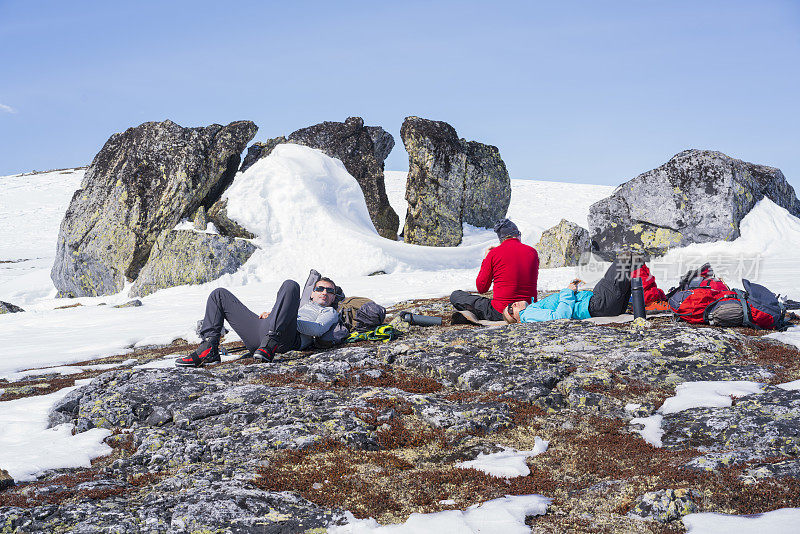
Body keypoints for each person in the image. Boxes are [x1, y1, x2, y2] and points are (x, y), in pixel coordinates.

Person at [175, 277, 340, 367]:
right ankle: (209, 348)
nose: (324, 292)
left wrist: (285, 320)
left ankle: (270, 344)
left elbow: (318, 330)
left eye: (329, 291)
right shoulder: (300, 305)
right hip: (263, 334)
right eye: (319, 288)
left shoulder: (330, 312)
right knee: (219, 295)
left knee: (291, 285)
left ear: (333, 297)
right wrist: (276, 315)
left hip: (283, 340)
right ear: (311, 294)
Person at [450, 218, 539, 321]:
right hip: (528, 309)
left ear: (501, 239)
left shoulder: (494, 253)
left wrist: (486, 258)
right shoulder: (533, 252)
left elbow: (482, 288)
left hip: (500, 311)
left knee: (456, 295)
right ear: (518, 234)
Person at [502, 256, 637, 323]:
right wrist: (568, 291)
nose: (512, 305)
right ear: (517, 321)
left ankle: (645, 302)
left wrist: (572, 290)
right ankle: (648, 300)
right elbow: (559, 317)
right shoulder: (527, 314)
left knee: (629, 267)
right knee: (626, 259)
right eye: (510, 310)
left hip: (601, 306)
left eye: (510, 304)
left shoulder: (533, 309)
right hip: (597, 304)